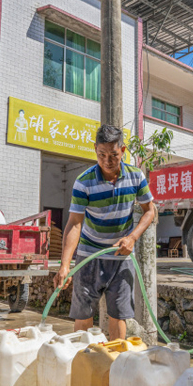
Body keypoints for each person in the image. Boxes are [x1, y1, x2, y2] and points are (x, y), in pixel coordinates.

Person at [54, 124, 157, 340]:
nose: (107, 161)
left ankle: (114, 363)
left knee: (118, 316)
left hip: (121, 256)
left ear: (123, 150)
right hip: (89, 257)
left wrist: (132, 238)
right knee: (83, 314)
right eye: (101, 155)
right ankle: (81, 359)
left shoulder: (136, 177)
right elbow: (74, 223)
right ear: (95, 150)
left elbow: (150, 211)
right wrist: (64, 265)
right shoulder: (84, 182)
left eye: (113, 155)